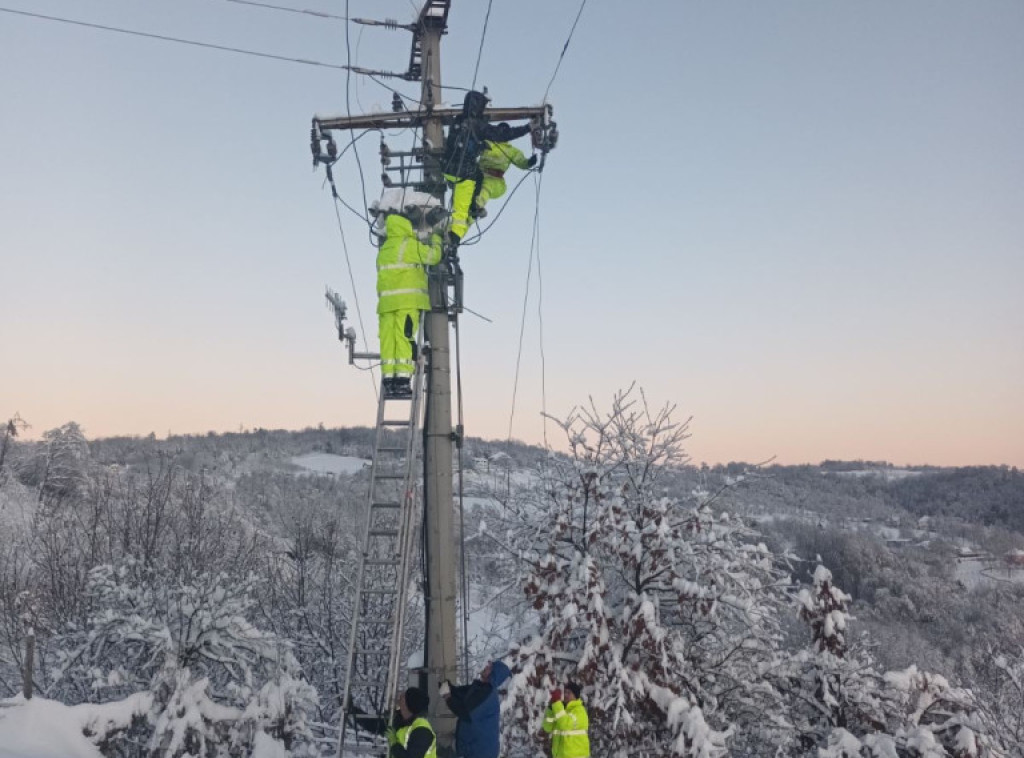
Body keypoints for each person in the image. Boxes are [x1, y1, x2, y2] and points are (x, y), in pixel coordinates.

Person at [442, 90, 534, 245]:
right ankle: (452, 244)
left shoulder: (458, 120)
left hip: (450, 169)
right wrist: (527, 128)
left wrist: (529, 162)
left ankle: (472, 207)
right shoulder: (478, 125)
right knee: (460, 216)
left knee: (479, 179)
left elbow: (520, 160)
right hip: (464, 174)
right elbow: (500, 133)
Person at [376, 209, 443, 398]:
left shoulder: (385, 249)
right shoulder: (409, 245)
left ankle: (389, 380)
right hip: (406, 302)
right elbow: (433, 256)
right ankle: (403, 381)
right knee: (404, 338)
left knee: (388, 341)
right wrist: (437, 239)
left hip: (385, 305)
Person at [441, 660, 511, 758]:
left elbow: (465, 713)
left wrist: (448, 698)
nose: (486, 667)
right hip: (476, 749)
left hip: (480, 752)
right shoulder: (482, 688)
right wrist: (451, 689)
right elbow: (464, 696)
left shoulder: (487, 694)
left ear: (494, 674)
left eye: (490, 668)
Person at [472, 129, 537, 218]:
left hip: (495, 180)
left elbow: (521, 161)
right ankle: (458, 223)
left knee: (486, 186)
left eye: (504, 132)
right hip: (478, 174)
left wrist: (529, 162)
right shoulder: (488, 143)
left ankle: (477, 205)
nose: (501, 134)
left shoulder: (511, 150)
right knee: (467, 192)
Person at [542, 680, 590, 758]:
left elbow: (565, 724)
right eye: (565, 692)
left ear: (575, 696)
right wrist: (551, 708)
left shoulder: (579, 711)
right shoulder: (561, 711)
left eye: (569, 693)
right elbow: (547, 727)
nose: (566, 695)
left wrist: (557, 703)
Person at [388, 687, 436, 758]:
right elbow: (380, 726)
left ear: (407, 704)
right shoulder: (402, 721)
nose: (401, 696)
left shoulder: (422, 731)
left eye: (404, 696)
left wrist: (395, 745)